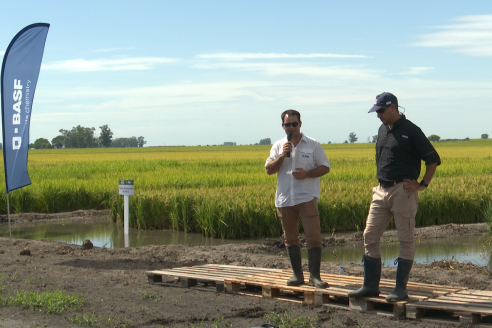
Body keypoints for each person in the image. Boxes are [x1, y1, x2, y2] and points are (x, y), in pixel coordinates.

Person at [347, 92, 441, 302]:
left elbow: (433, 159)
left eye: (380, 111)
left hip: (403, 190)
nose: (378, 115)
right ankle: (370, 286)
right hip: (380, 190)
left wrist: (422, 185)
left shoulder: (412, 131)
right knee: (369, 235)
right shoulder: (381, 130)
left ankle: (400, 289)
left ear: (393, 107)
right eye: (376, 111)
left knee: (405, 239)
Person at [265, 109, 331, 288]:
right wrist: (281, 156)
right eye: (288, 125)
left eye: (294, 124)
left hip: (306, 198)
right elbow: (269, 169)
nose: (291, 127)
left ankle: (315, 277)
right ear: (283, 126)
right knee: (290, 238)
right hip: (285, 199)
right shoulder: (279, 146)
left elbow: (325, 167)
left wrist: (308, 173)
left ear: (300, 124)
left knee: (313, 237)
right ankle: (297, 276)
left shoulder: (313, 144)